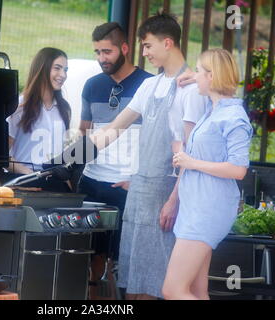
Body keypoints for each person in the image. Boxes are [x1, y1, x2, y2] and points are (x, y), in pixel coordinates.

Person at [74, 12, 208, 300]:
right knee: (133, 280)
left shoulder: (193, 88)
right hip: (139, 192)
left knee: (156, 281)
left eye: (147, 46)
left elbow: (189, 151)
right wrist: (69, 158)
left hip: (166, 193)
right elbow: (113, 129)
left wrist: (174, 201)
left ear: (168, 43)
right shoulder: (150, 85)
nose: (144, 53)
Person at [162, 48, 253, 300]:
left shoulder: (233, 117)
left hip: (207, 210)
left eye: (200, 72)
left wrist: (192, 162)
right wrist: (193, 76)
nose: (196, 76)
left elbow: (238, 169)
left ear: (212, 76)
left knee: (173, 290)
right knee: (196, 292)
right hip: (195, 207)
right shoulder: (212, 110)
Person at [77, 22, 153, 299]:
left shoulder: (148, 84)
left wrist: (139, 178)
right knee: (91, 258)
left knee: (124, 259)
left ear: (124, 48)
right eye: (97, 52)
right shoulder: (92, 84)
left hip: (127, 183)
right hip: (93, 180)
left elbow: (159, 139)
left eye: (106, 51)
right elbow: (84, 133)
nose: (101, 58)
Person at [2, 47, 71, 192]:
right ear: (42, 69)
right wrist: (31, 174)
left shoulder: (64, 109)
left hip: (55, 184)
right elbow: (2, 156)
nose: (63, 75)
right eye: (57, 68)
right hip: (23, 183)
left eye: (65, 70)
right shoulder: (19, 106)